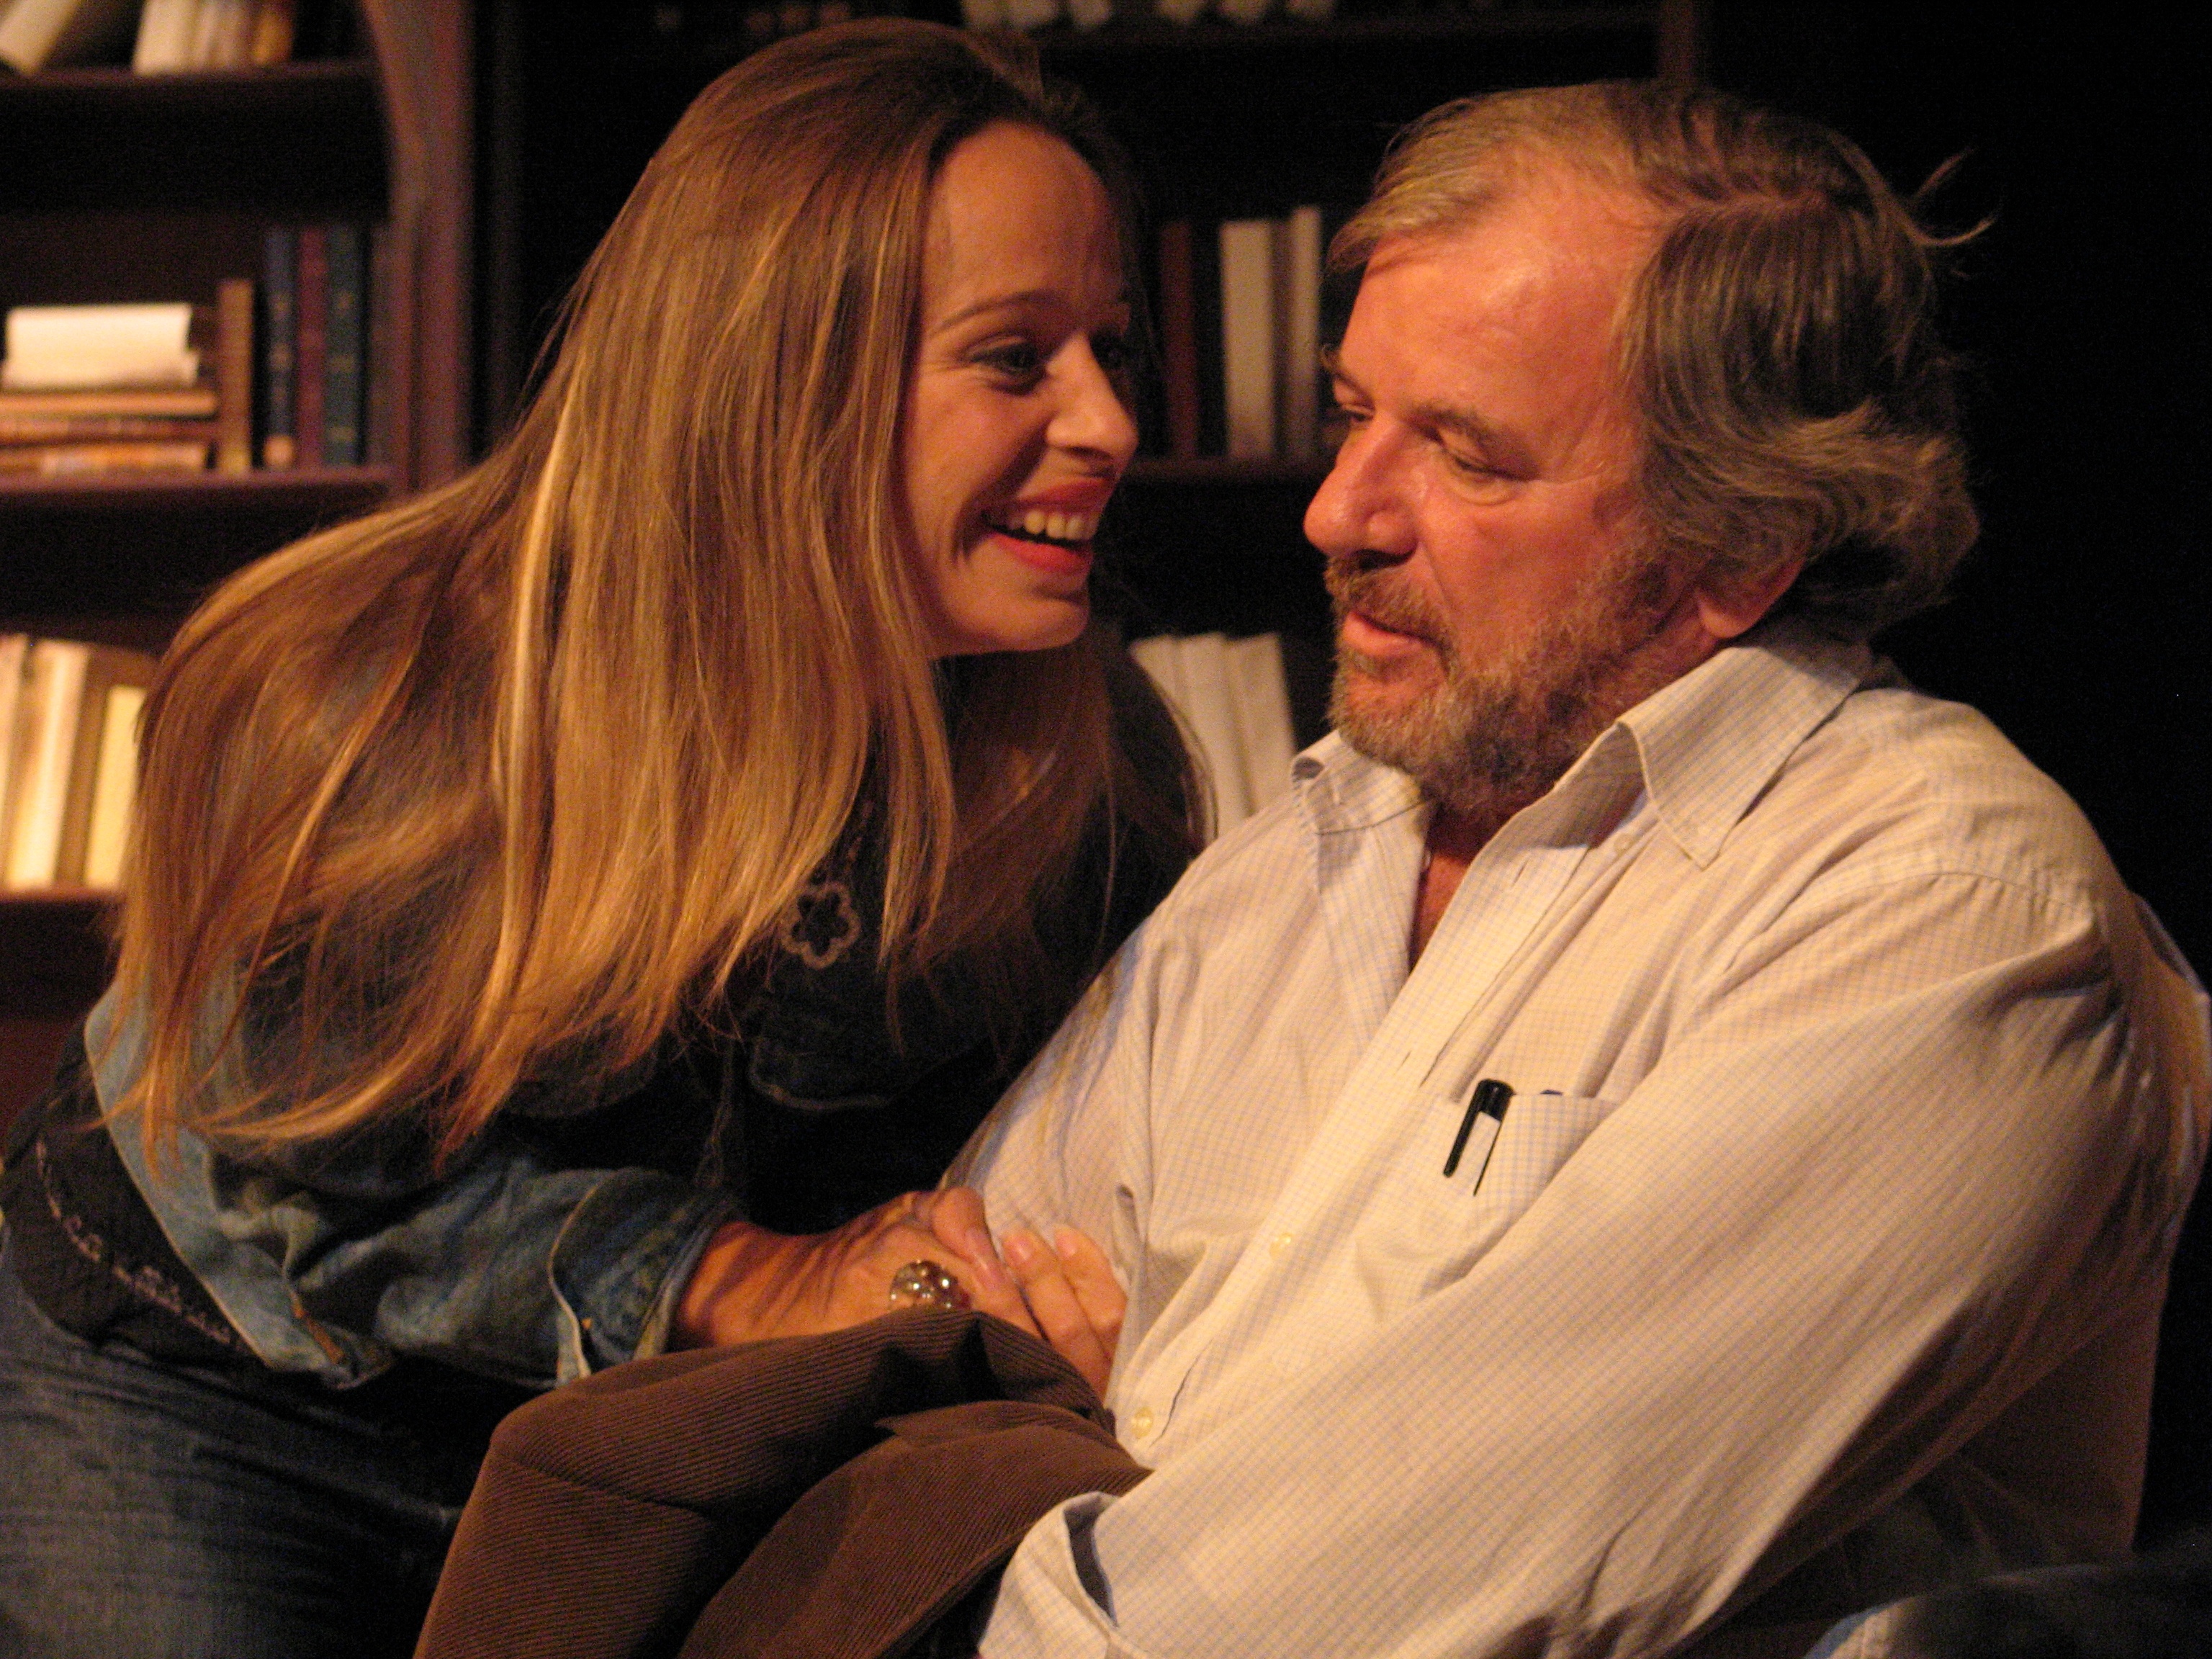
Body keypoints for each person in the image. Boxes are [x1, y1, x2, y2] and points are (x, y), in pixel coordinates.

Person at [948, 80, 2211, 1658]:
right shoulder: (1294, 857)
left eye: (1467, 456)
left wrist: (1084, 1450)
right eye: (1351, 413)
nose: (1339, 515)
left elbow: (1331, 1607)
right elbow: (929, 1332)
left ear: (1735, 546)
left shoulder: (1944, 914)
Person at [0, 21, 1191, 1658]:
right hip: (215, 1376)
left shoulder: (1090, 770)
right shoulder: (372, 699)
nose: (1110, 423)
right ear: (778, 376)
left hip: (638, 1431)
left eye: (1109, 350)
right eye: (1015, 359)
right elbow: (295, 1195)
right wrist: (734, 1274)